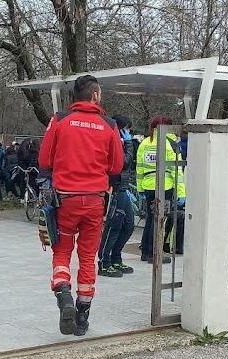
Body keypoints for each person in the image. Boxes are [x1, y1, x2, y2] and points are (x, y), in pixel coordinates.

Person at [39, 74, 124, 336]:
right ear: (95, 95)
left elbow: (44, 160)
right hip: (95, 201)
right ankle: (82, 316)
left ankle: (63, 294)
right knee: (88, 257)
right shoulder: (109, 125)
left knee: (62, 251)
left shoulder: (60, 120)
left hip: (65, 200)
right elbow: (116, 166)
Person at [136, 115, 179, 263]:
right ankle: (155, 254)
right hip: (164, 186)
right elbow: (176, 169)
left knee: (150, 219)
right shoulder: (170, 143)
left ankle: (146, 252)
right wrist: (181, 191)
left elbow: (139, 167)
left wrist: (140, 188)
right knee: (160, 220)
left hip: (148, 186)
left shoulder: (145, 143)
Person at [98, 115, 137, 277]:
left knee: (128, 225)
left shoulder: (122, 141)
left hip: (123, 187)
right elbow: (123, 162)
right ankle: (104, 262)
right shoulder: (113, 141)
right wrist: (128, 144)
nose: (128, 131)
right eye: (126, 128)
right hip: (114, 188)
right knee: (114, 226)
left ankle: (116, 257)